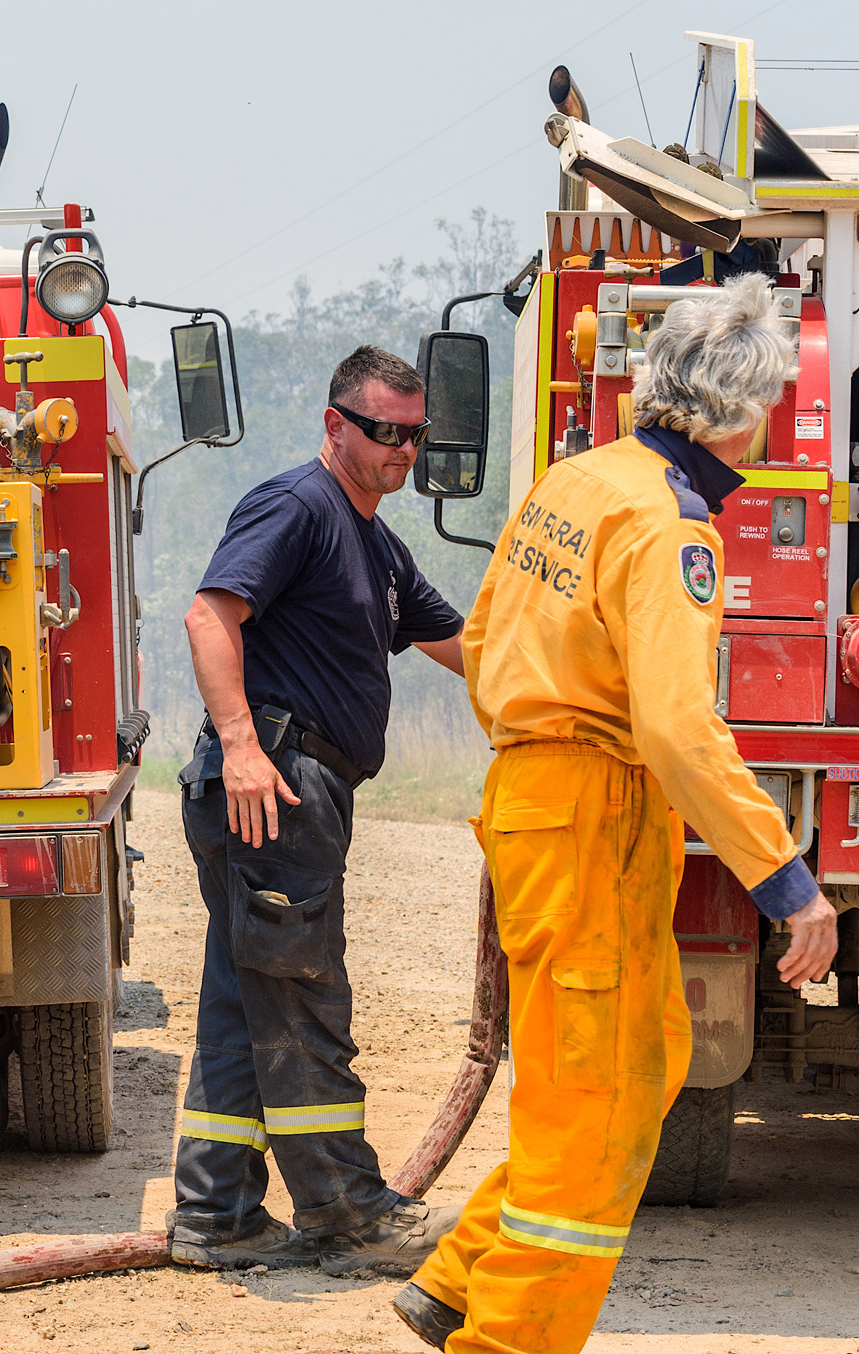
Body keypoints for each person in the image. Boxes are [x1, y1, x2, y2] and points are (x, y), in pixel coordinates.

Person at [394, 277, 838, 1354]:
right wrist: (786, 884)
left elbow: (490, 639)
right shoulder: (666, 529)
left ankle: (457, 1277)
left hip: (549, 802)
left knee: (642, 1060)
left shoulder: (575, 480)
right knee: (589, 1091)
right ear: (739, 411)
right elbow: (681, 732)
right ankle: (505, 1339)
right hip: (590, 811)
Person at [172, 346, 468, 1276]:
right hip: (276, 785)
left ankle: (217, 1215)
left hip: (298, 788)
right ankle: (346, 1212)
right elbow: (209, 616)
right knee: (303, 998)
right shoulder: (298, 505)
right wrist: (245, 750)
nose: (402, 449)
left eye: (415, 434)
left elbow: (463, 643)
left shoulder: (377, 545)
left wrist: (575, 679)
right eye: (384, 430)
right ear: (337, 423)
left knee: (241, 997)